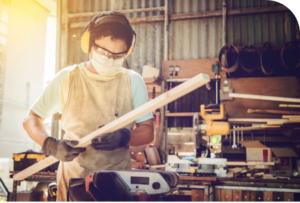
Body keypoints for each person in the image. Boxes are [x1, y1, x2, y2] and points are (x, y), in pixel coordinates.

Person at [23, 11, 154, 201]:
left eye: (118, 55)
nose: (111, 59)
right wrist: (50, 145)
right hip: (73, 182)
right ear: (89, 45)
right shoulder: (67, 78)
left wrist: (124, 136)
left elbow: (148, 131)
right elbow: (31, 119)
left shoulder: (133, 81)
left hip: (117, 183)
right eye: (104, 53)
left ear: (128, 51)